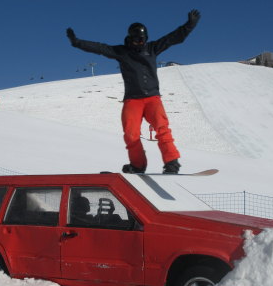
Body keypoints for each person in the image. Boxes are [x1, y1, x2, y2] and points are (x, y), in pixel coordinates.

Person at [66, 9, 201, 174]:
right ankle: (138, 165)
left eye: (142, 40)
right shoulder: (122, 52)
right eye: (136, 40)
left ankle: (172, 162)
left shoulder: (152, 48)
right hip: (133, 100)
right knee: (131, 134)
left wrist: (189, 25)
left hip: (152, 98)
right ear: (130, 39)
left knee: (161, 127)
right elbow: (99, 48)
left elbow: (174, 38)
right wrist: (77, 42)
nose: (139, 43)